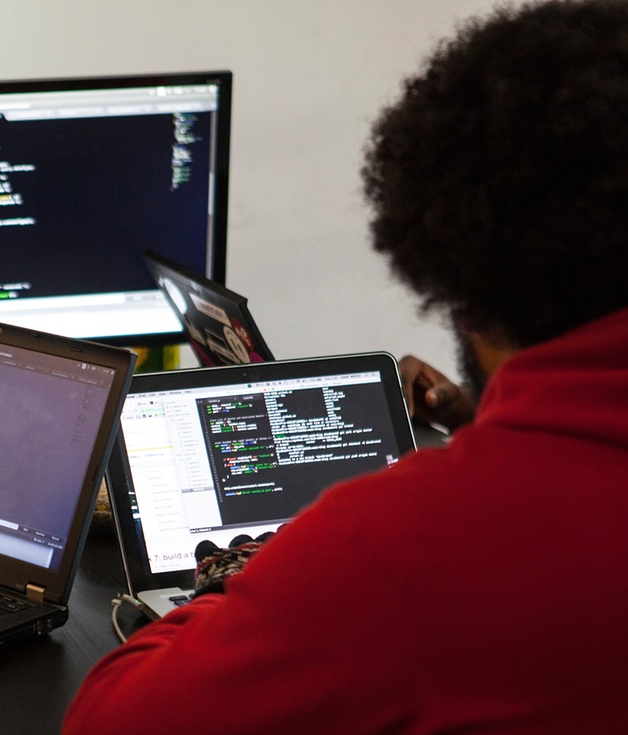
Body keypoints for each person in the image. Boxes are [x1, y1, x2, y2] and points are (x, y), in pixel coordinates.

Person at [64, 1, 628, 732]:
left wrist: (228, 582)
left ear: (462, 276)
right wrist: (491, 420)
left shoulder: (401, 551)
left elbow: (111, 721)